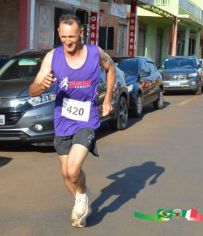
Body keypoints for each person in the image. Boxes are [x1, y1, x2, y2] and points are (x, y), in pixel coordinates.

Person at [29, 14, 116, 227]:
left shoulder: (95, 53)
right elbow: (32, 90)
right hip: (62, 119)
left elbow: (111, 68)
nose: (68, 42)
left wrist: (107, 98)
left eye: (73, 37)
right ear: (58, 33)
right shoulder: (52, 57)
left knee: (73, 169)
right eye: (64, 36)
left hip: (86, 119)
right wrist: (42, 86)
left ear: (81, 33)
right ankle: (81, 198)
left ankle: (81, 196)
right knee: (65, 173)